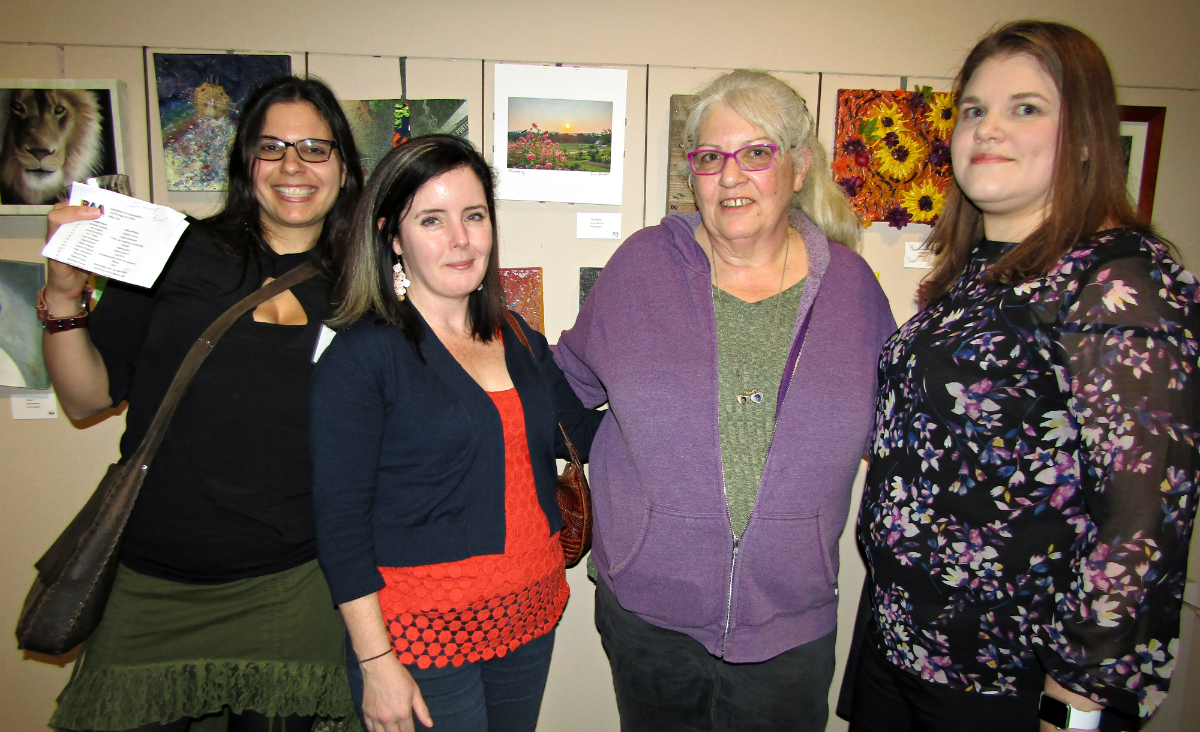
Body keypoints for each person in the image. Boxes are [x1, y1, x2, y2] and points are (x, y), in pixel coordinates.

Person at [849, 20, 1199, 732]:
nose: (988, 128)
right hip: (904, 645)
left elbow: (1143, 521)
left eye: (1025, 107)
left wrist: (1074, 711)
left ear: (1083, 139)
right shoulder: (976, 278)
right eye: (974, 110)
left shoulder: (1116, 279)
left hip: (1011, 679)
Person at [552, 70, 896, 731]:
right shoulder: (641, 269)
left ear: (798, 168)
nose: (730, 177)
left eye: (757, 152)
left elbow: (892, 436)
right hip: (649, 619)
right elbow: (565, 388)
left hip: (790, 628)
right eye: (710, 158)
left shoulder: (852, 291)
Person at [39, 75, 364, 732]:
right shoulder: (174, 251)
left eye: (314, 148)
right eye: (272, 147)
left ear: (342, 167)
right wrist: (64, 296)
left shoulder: (363, 291)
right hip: (153, 577)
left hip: (291, 584)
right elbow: (88, 398)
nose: (293, 166)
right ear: (245, 161)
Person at [309, 134, 603, 732]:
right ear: (393, 236)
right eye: (433, 220)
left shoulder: (517, 336)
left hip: (528, 612)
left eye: (474, 216)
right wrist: (375, 661)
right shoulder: (363, 356)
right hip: (419, 635)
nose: (461, 239)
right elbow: (339, 526)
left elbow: (585, 437)